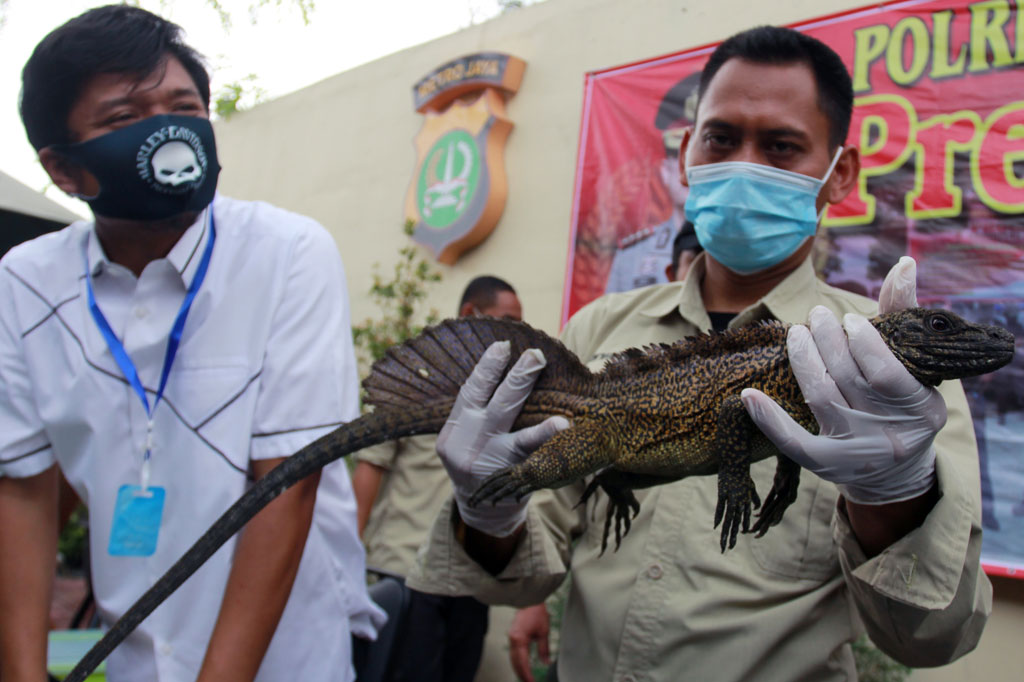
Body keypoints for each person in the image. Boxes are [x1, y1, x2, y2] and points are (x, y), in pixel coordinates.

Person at [407, 25, 990, 681]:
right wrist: (490, 509)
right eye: (721, 138)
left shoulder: (884, 365)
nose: (745, 164)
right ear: (687, 153)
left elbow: (933, 636)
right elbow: (523, 569)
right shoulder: (598, 329)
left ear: (840, 173)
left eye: (781, 145)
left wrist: (895, 495)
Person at [0, 6, 383, 681]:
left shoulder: (287, 254)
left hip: (287, 665)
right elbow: (26, 489)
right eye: (123, 117)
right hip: (135, 659)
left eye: (184, 107)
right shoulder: (27, 282)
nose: (166, 131)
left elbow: (287, 486)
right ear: (63, 169)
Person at [353, 275, 523, 682]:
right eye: (507, 322)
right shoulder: (417, 376)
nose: (517, 335)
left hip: (470, 580)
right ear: (470, 314)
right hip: (408, 571)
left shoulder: (505, 397)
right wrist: (345, 561)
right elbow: (370, 467)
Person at [604, 74, 700, 294]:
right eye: (680, 159)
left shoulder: (737, 245)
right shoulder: (633, 253)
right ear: (665, 172)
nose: (689, 171)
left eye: (697, 160)